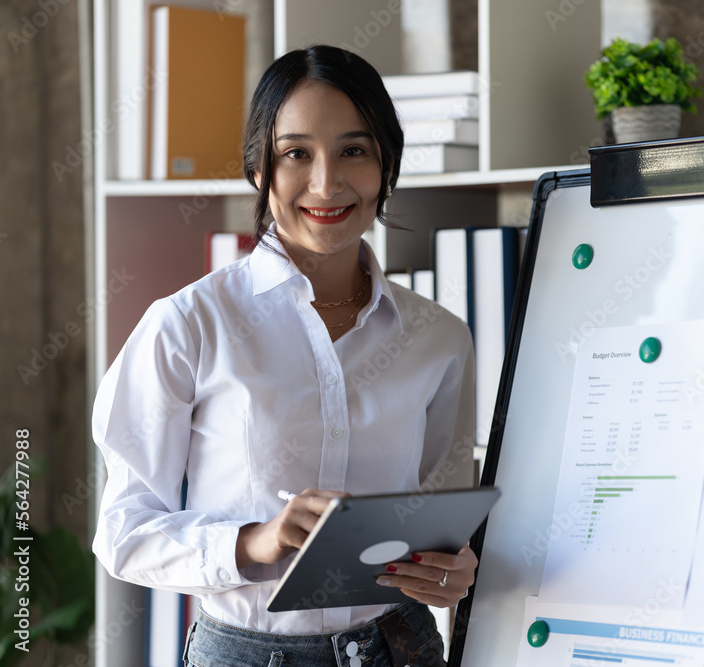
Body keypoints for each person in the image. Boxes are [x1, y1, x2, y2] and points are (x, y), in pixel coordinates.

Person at [92, 45, 477, 667]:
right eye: (296, 153)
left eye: (354, 150)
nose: (326, 183)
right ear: (257, 167)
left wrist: (452, 571)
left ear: (387, 165)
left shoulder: (438, 338)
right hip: (245, 652)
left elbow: (442, 526)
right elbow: (123, 533)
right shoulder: (189, 325)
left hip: (402, 647)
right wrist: (255, 541)